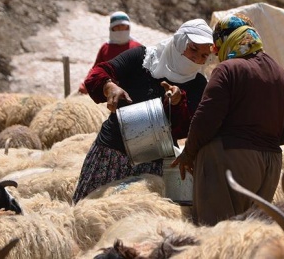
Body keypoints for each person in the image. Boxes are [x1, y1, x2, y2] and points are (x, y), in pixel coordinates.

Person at [72, 18, 214, 203]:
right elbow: (99, 72)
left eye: (204, 55)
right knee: (89, 212)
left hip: (153, 165)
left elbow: (185, 128)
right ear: (179, 42)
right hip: (111, 154)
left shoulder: (197, 83)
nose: (196, 58)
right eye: (193, 49)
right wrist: (109, 87)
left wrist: (178, 103)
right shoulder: (142, 58)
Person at [171, 14, 284, 226]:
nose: (218, 55)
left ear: (228, 40)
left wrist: (188, 154)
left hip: (229, 161)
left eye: (218, 48)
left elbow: (205, 120)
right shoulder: (280, 73)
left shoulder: (229, 69)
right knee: (248, 236)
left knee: (217, 233)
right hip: (271, 166)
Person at [78, 11, 142, 94]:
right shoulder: (105, 48)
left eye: (123, 26)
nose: (120, 30)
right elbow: (97, 69)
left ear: (128, 27)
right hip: (111, 93)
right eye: (117, 27)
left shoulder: (138, 47)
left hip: (135, 93)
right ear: (112, 28)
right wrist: (86, 84)